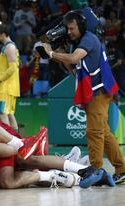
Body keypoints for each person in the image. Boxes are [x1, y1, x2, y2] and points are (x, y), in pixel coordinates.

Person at [42, 11, 125, 184]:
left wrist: (51, 54)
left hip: (99, 91)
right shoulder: (79, 41)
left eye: (72, 28)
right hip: (98, 89)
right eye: (67, 29)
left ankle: (95, 172)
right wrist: (60, 53)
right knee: (104, 132)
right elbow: (74, 67)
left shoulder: (89, 39)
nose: (69, 32)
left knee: (94, 132)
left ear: (81, 26)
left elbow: (73, 58)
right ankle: (122, 169)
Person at [0, 24, 20, 131]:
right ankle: (18, 139)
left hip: (7, 87)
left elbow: (12, 68)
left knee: (2, 113)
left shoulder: (9, 47)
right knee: (9, 114)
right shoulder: (7, 46)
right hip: (8, 86)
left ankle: (9, 139)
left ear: (3, 34)